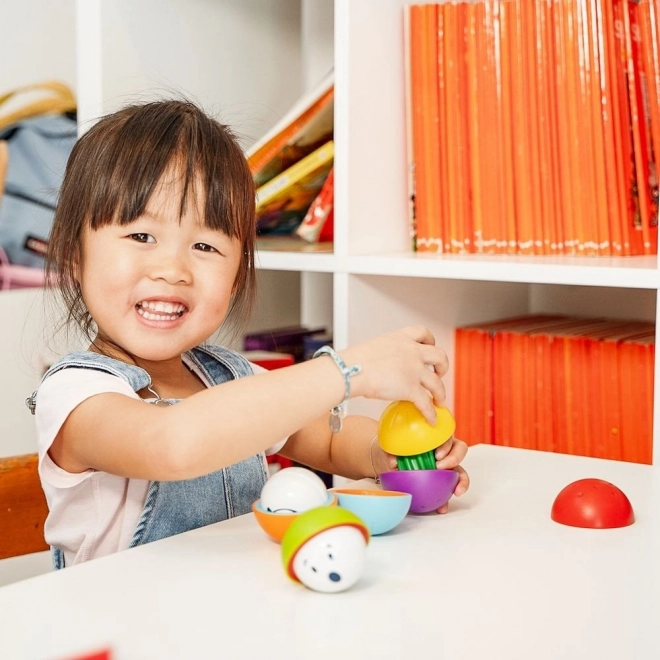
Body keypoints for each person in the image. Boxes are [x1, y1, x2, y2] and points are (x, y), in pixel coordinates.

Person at [27, 99, 469, 568]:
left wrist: (388, 456)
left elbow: (331, 440)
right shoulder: (76, 395)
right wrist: (347, 371)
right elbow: (172, 445)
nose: (173, 270)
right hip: (122, 631)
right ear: (74, 255)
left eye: (205, 245)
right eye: (141, 236)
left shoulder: (230, 377)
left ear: (238, 274)